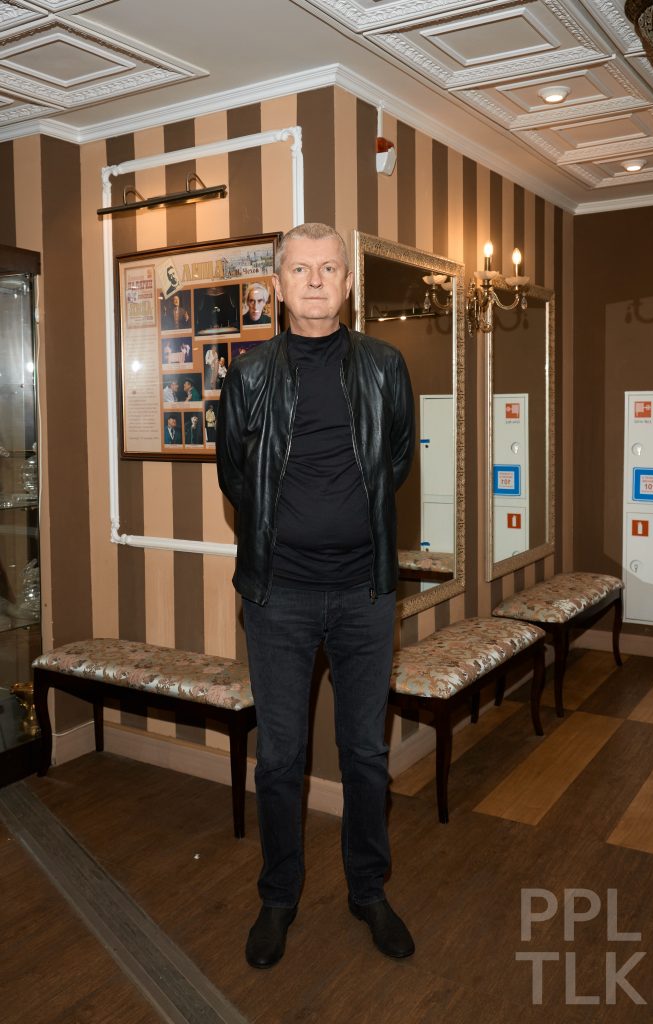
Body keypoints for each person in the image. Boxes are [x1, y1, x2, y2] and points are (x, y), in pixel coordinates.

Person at [216, 223, 415, 970]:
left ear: (348, 283)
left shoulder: (385, 366)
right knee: (280, 759)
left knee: (365, 753)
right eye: (300, 270)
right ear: (277, 284)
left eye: (329, 268)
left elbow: (396, 460)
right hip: (279, 597)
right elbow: (235, 476)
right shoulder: (249, 376)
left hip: (365, 592)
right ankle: (278, 897)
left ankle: (368, 890)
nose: (315, 281)